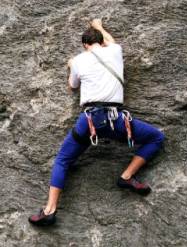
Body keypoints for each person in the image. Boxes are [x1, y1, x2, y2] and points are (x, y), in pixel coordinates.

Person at [28, 19, 165, 226]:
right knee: (156, 137)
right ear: (102, 42)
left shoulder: (79, 61)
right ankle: (127, 176)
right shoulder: (115, 50)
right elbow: (110, 41)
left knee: (63, 160)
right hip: (116, 121)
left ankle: (49, 210)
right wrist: (99, 26)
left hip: (89, 121)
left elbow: (72, 86)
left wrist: (71, 66)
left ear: (85, 45)